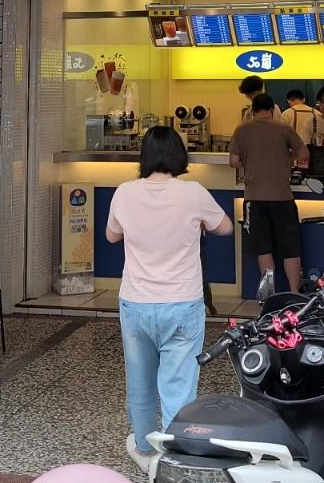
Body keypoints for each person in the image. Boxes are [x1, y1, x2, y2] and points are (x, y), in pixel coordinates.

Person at [106, 126, 233, 473]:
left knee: (140, 381)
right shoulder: (193, 193)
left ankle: (145, 448)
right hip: (182, 303)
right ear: (179, 155)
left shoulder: (124, 192)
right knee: (178, 385)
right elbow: (225, 227)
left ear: (144, 156)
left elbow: (112, 235)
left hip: (136, 302)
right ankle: (176, 456)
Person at [229, 93, 308, 298]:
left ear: (252, 110)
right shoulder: (283, 128)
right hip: (282, 197)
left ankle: (270, 296)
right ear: (272, 110)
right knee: (291, 249)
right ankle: (294, 293)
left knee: (263, 249)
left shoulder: (242, 129)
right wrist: (287, 157)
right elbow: (304, 154)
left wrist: (250, 161)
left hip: (254, 198)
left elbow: (234, 161)